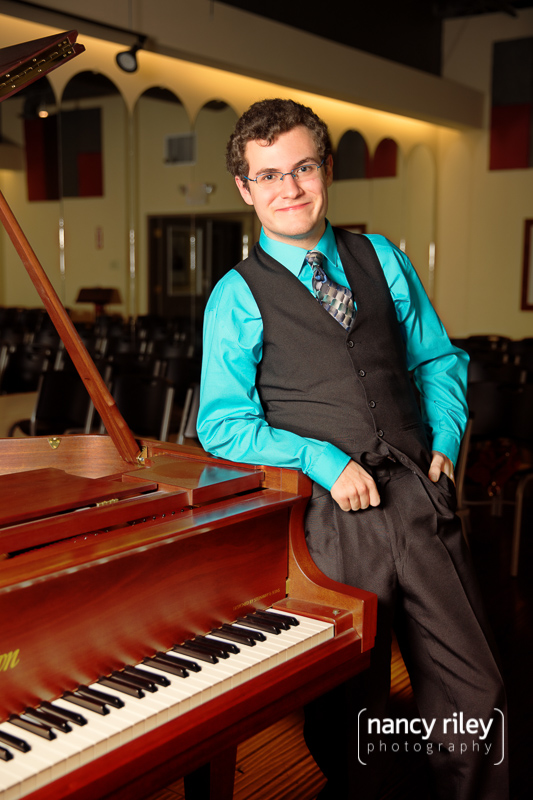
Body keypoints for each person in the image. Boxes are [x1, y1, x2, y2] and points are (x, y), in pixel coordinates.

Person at [197, 98, 508, 800]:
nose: (290, 189)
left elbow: (437, 360)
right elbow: (221, 425)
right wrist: (321, 458)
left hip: (418, 499)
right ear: (246, 188)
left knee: (475, 689)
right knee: (351, 716)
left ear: (325, 169)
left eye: (303, 167)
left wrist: (445, 442)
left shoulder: (381, 257)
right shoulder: (235, 296)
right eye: (268, 175)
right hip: (329, 524)